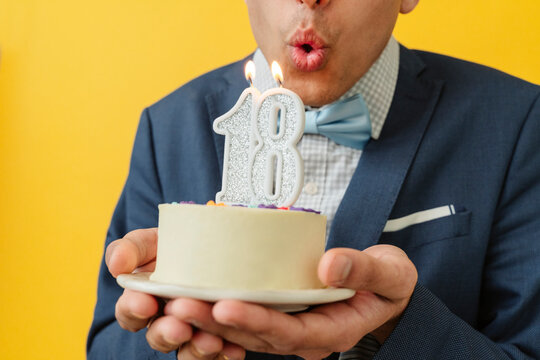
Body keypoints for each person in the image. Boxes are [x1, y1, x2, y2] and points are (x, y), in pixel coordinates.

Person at [88, 0, 540, 359]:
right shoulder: (167, 127)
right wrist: (182, 339)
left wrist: (398, 323)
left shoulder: (516, 124)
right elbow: (109, 346)